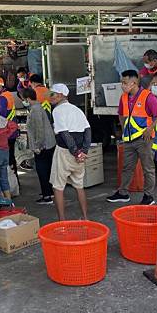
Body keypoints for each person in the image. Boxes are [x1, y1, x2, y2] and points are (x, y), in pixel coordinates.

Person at [107, 70, 157, 205]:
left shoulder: (148, 97)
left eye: (124, 82)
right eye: (121, 82)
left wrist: (150, 128)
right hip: (129, 139)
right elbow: (121, 114)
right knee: (127, 167)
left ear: (134, 83)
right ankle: (123, 193)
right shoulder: (123, 97)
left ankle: (149, 196)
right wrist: (124, 130)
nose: (122, 85)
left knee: (148, 168)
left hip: (144, 139)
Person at [49, 84, 91, 221]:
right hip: (79, 154)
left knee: (58, 187)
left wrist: (75, 152)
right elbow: (87, 130)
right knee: (79, 186)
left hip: (65, 152)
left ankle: (62, 222)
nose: (50, 97)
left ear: (60, 95)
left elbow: (65, 134)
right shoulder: (77, 110)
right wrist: (83, 151)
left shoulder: (57, 111)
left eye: (52, 94)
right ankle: (85, 217)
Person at [22, 88, 56, 203]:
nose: (23, 102)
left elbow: (39, 130)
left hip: (43, 145)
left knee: (42, 170)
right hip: (48, 144)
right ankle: (49, 192)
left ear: (27, 98)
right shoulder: (38, 107)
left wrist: (37, 146)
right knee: (47, 169)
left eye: (23, 99)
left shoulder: (35, 110)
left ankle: (47, 196)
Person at [0, 76, 19, 171]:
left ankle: (12, 179)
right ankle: (15, 179)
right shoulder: (8, 95)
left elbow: (1, 116)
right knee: (11, 155)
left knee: (8, 157)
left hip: (6, 132)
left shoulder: (2, 98)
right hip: (11, 131)